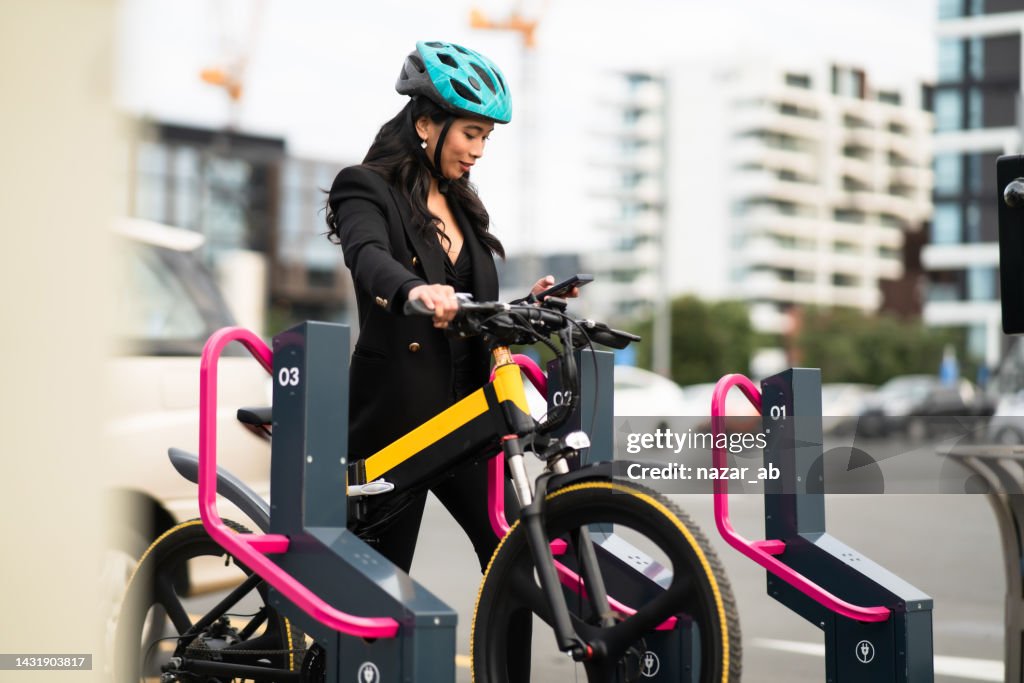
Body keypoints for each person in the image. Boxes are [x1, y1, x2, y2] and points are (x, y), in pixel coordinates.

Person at [325, 40, 569, 575]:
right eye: (470, 133)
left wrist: (530, 305)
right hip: (397, 420)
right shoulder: (364, 187)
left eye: (486, 137)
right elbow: (368, 257)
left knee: (516, 560)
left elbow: (469, 309)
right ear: (425, 124)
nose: (478, 150)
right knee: (381, 585)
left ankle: (507, 639)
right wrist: (414, 291)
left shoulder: (462, 203)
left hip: (468, 419)